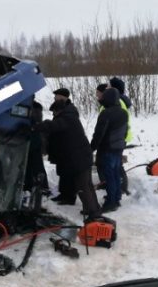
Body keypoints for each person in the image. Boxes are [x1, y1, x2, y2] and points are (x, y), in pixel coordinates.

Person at [34, 89, 101, 218]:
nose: (53, 114)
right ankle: (91, 209)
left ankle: (93, 213)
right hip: (78, 156)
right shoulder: (66, 116)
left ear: (58, 111)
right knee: (85, 185)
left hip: (80, 157)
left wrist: (36, 126)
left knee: (83, 186)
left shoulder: (67, 117)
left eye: (53, 112)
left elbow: (54, 125)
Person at [90, 87, 128, 212]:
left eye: (104, 97)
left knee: (110, 176)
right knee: (116, 174)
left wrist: (91, 148)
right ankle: (116, 198)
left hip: (107, 149)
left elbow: (99, 134)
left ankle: (111, 202)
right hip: (118, 148)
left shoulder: (106, 113)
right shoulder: (123, 112)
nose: (101, 99)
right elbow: (125, 131)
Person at [108, 76, 133, 194]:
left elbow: (119, 121)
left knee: (116, 164)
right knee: (116, 162)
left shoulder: (119, 102)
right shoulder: (119, 100)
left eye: (109, 86)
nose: (107, 87)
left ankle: (122, 186)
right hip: (121, 136)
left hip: (119, 136)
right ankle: (120, 186)